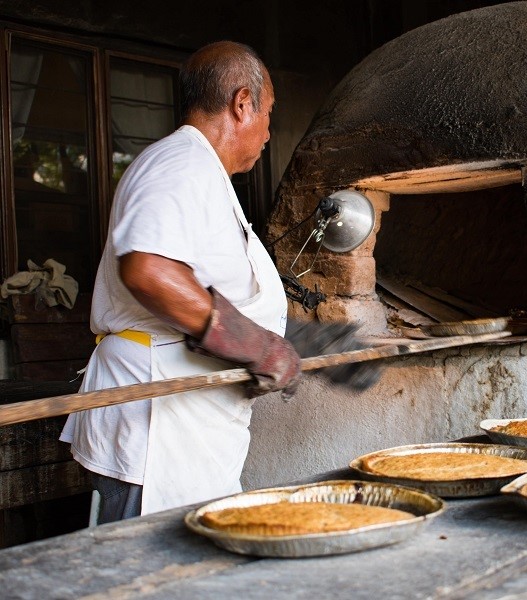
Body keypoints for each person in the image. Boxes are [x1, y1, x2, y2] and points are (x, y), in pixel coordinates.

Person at [60, 41, 303, 523]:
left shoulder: (202, 175)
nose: (269, 131)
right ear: (242, 103)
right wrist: (255, 345)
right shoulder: (180, 164)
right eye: (269, 113)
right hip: (156, 424)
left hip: (186, 422)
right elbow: (148, 269)